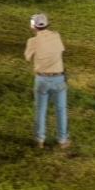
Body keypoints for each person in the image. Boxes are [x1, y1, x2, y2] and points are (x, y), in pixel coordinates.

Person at [24, 13, 68, 149]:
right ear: (47, 24)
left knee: (40, 109)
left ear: (33, 26)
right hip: (59, 78)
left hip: (42, 79)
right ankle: (62, 140)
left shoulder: (32, 41)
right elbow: (61, 50)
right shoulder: (56, 35)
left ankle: (40, 140)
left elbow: (27, 57)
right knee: (61, 110)